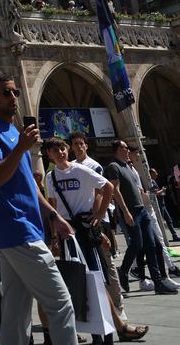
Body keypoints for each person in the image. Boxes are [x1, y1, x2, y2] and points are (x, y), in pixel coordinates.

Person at [0, 77, 76, 345]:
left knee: (16, 312)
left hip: (21, 231)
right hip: (18, 228)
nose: (13, 97)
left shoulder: (13, 130)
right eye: (6, 92)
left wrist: (53, 217)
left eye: (16, 92)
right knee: (60, 303)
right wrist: (21, 147)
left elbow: (30, 185)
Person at [45, 137, 147, 344]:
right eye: (55, 151)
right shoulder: (50, 177)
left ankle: (108, 334)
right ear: (49, 155)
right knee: (78, 283)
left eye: (63, 148)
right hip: (68, 235)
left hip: (85, 230)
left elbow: (108, 187)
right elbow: (53, 206)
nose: (61, 152)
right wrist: (54, 237)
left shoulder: (80, 170)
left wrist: (99, 216)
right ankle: (95, 335)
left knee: (96, 280)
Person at [68, 134, 135, 332]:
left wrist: (97, 214)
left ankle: (117, 305)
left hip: (97, 221)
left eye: (81, 143)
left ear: (86, 146)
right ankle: (97, 309)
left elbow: (101, 191)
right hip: (81, 224)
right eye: (75, 144)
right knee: (88, 267)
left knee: (107, 264)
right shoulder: (71, 166)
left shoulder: (93, 165)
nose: (79, 147)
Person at [105, 141, 177, 295]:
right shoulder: (114, 167)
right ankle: (123, 271)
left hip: (142, 211)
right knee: (137, 244)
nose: (127, 150)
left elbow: (135, 188)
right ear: (118, 149)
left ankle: (158, 282)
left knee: (152, 245)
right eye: (125, 147)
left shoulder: (128, 167)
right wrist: (125, 211)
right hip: (131, 211)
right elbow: (115, 190)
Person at [150, 168, 179, 241]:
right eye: (155, 173)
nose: (157, 174)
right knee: (161, 222)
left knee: (169, 220)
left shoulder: (154, 181)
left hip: (162, 204)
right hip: (159, 205)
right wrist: (162, 190)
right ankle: (162, 238)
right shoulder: (151, 182)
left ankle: (174, 235)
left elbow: (159, 193)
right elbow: (155, 194)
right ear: (151, 174)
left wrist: (163, 192)